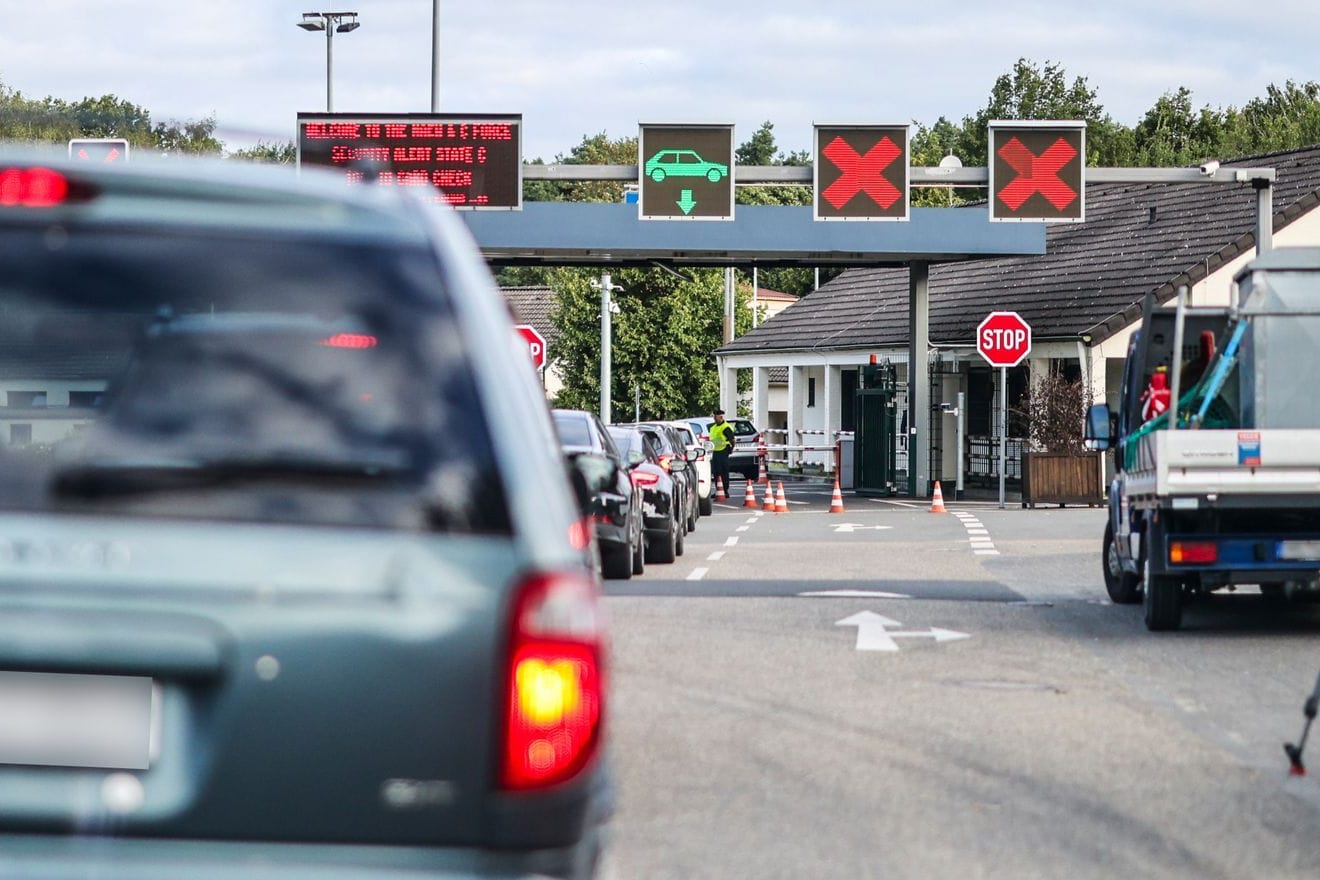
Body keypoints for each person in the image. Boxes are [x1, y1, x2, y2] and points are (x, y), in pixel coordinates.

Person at [709, 409, 736, 497]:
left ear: (720, 417)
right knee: (716, 472)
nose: (714, 418)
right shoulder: (713, 428)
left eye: (715, 416)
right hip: (715, 451)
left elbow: (732, 440)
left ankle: (725, 490)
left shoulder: (726, 427)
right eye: (714, 416)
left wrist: (732, 448)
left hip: (724, 451)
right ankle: (718, 490)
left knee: (723, 471)